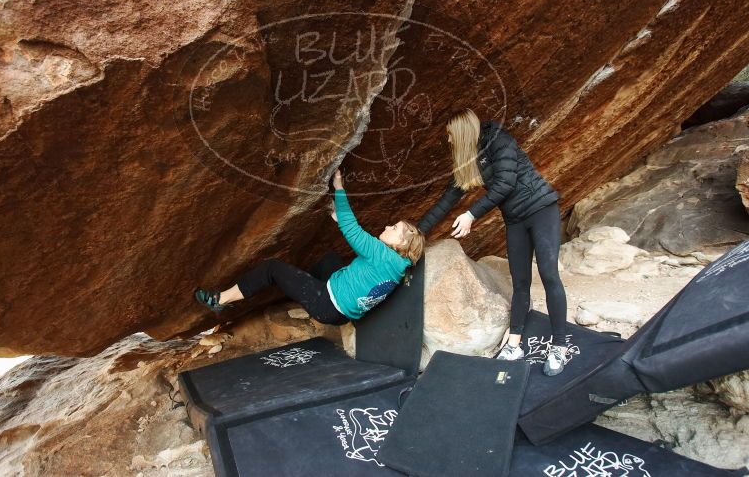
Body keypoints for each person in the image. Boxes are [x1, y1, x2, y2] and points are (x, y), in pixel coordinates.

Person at [417, 108, 569, 376]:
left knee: (548, 275)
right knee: (520, 282)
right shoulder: (468, 159)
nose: (448, 141)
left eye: (450, 136)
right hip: (515, 221)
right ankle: (515, 344)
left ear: (462, 133)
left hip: (541, 210)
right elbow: (447, 199)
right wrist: (417, 233)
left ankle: (559, 346)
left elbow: (506, 183)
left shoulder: (500, 140)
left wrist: (471, 214)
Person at [194, 169, 425, 325]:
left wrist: (339, 186)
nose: (388, 226)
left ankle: (220, 300)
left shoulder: (381, 253)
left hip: (326, 304)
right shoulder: (398, 266)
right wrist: (339, 217)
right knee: (330, 260)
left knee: (272, 268)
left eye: (394, 228)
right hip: (343, 315)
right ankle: (300, 286)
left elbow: (352, 230)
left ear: (402, 243)